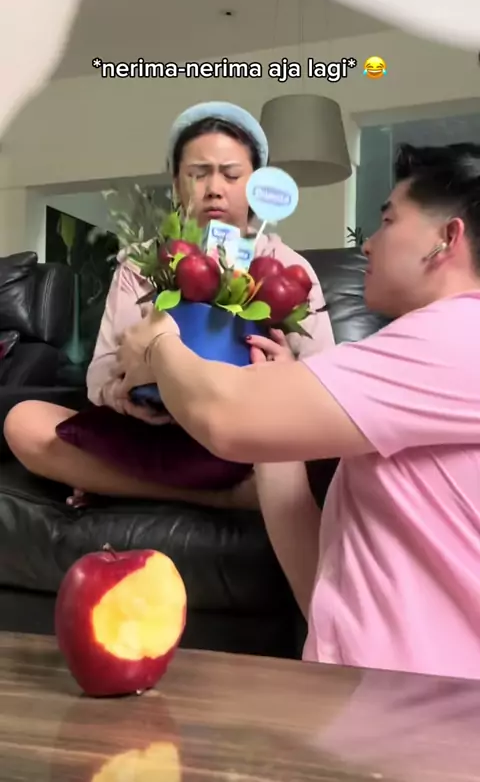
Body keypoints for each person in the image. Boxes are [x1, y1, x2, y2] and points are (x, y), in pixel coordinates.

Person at [115, 142, 480, 681]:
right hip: (360, 689)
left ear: (447, 237)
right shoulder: (431, 354)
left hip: (418, 708)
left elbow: (224, 418)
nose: (368, 244)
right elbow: (321, 582)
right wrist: (277, 399)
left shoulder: (458, 337)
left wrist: (157, 343)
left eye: (387, 221)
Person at [4, 101, 334, 511]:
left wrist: (287, 373)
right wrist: (121, 395)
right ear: (177, 184)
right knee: (25, 422)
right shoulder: (141, 263)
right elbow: (100, 374)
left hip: (245, 434)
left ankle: (114, 482)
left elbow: (328, 386)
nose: (214, 188)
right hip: (154, 428)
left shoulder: (286, 267)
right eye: (198, 174)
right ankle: (229, 498)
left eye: (232, 175)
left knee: (327, 454)